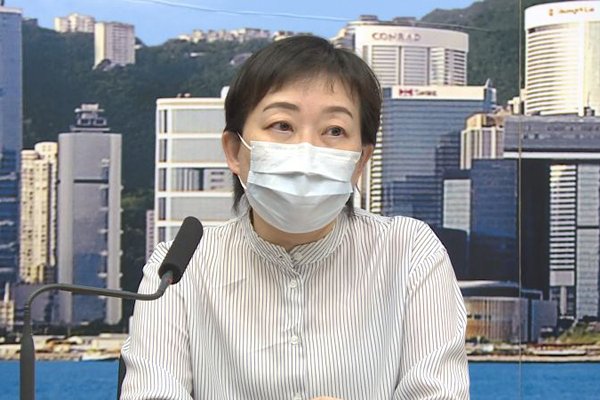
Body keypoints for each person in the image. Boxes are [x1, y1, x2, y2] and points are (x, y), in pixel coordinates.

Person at [121, 35, 469, 400]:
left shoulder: (410, 253)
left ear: (360, 162)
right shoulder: (178, 268)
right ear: (234, 150)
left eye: (334, 131)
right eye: (282, 126)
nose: (307, 150)